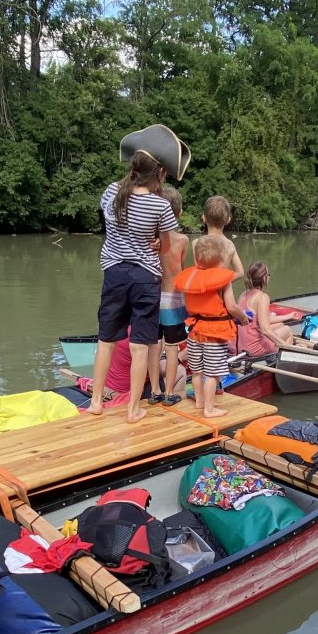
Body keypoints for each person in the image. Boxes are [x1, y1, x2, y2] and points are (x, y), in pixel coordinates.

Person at [89, 124, 190, 423]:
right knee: (140, 345)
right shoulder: (161, 206)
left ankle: (96, 402)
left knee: (106, 340)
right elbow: (165, 246)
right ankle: (133, 410)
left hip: (114, 273)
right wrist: (155, 241)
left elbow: (114, 227)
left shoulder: (111, 192)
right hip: (145, 279)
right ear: (161, 173)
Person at [175, 234, 248, 418]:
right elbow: (231, 306)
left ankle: (200, 401)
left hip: (194, 332)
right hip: (214, 335)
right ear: (221, 259)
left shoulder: (192, 278)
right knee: (213, 374)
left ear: (197, 259)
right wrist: (243, 318)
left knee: (197, 372)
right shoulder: (223, 280)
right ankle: (209, 409)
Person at [154, 185, 190, 405]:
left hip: (153, 297)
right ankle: (168, 393)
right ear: (179, 213)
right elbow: (182, 272)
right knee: (172, 347)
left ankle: (154, 390)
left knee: (154, 345)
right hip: (173, 299)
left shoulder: (151, 239)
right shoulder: (182, 240)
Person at [236, 262, 298, 356]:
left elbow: (262, 319)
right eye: (268, 275)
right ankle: (287, 356)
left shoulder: (243, 294)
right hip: (254, 349)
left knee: (280, 324)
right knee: (287, 330)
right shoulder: (262, 297)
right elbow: (265, 329)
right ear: (264, 278)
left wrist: (289, 316)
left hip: (240, 345)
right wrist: (286, 345)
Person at [195, 196, 245, 285]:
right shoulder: (229, 244)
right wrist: (220, 283)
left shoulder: (196, 243)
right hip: (221, 291)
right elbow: (240, 273)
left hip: (202, 289)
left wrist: (208, 285)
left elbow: (197, 270)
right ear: (228, 220)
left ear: (204, 218)